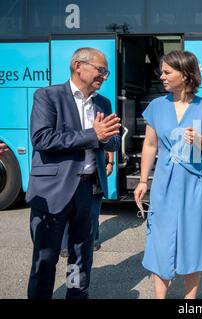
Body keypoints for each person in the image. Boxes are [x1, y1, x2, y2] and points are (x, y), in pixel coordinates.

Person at [26, 47, 121, 299]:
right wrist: (94, 134)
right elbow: (42, 138)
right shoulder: (48, 96)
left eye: (106, 72)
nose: (105, 76)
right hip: (53, 190)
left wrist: (109, 138)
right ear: (79, 66)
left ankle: (76, 297)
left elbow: (110, 142)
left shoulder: (103, 102)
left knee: (80, 257)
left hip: (89, 190)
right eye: (101, 70)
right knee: (46, 258)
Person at [134, 50, 202, 299]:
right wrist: (143, 181)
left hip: (193, 183)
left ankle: (189, 299)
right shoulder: (156, 106)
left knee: (192, 241)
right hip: (164, 181)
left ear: (184, 74)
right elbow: (150, 145)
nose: (161, 77)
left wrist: (201, 140)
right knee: (160, 242)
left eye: (166, 72)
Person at [60, 151, 114, 257]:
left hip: (93, 175)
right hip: (68, 175)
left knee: (93, 213)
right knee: (67, 212)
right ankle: (65, 245)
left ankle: (93, 240)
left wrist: (110, 163)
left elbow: (110, 139)